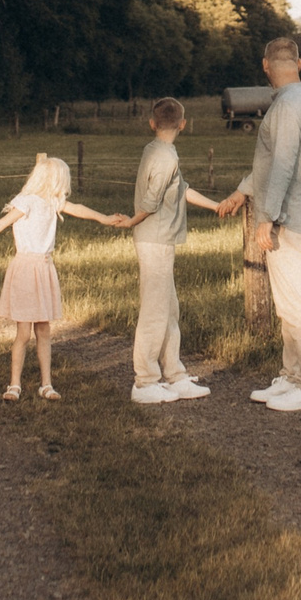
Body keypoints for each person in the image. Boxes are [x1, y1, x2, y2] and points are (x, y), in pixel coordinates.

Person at [0, 154, 124, 401]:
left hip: (44, 269)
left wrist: (103, 218)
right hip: (25, 270)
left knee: (44, 330)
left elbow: (77, 209)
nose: (65, 188)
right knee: (23, 333)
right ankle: (14, 385)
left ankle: (47, 384)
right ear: (52, 180)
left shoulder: (52, 202)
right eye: (63, 182)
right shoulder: (27, 202)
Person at [220, 37, 301, 411]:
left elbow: (281, 165)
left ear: (265, 66)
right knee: (288, 304)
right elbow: (272, 163)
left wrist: (266, 217)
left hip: (289, 219)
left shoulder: (286, 106)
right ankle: (292, 376)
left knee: (296, 306)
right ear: (298, 63)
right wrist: (242, 191)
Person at [120, 97, 228, 404]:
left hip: (161, 239)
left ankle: (174, 375)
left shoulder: (157, 150)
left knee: (169, 309)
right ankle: (144, 382)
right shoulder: (165, 156)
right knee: (155, 311)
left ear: (152, 124)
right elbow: (151, 202)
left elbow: (180, 189)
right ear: (183, 124)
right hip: (154, 239)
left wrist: (216, 206)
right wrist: (131, 222)